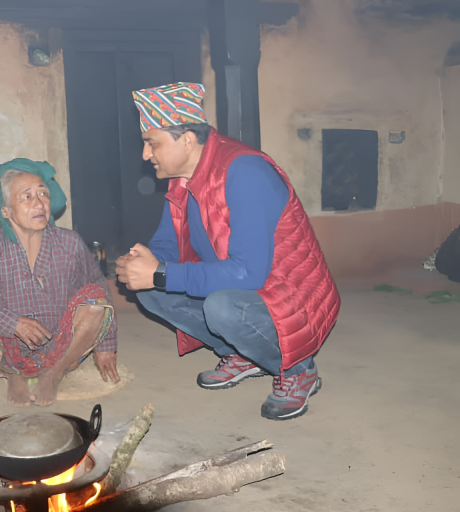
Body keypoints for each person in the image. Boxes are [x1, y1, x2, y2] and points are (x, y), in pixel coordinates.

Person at [116, 82, 340, 420]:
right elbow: (168, 242)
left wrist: (160, 272)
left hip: (290, 296)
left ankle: (299, 370)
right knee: (150, 290)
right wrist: (144, 263)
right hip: (240, 286)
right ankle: (244, 354)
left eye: (152, 143)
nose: (146, 155)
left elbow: (248, 273)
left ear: (187, 140)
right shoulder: (183, 177)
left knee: (222, 306)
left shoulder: (245, 173)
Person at [0, 158, 120, 407]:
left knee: (95, 300)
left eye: (43, 194)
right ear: (6, 211)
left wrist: (105, 345)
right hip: (9, 345)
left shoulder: (70, 243)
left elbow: (99, 287)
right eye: (27, 197)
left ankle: (54, 375)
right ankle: (13, 374)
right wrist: (13, 323)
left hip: (61, 343)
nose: (39, 203)